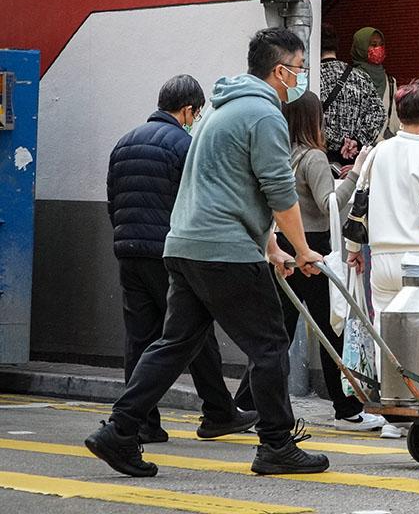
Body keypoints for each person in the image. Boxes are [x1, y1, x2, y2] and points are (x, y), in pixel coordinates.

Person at [86, 28, 329, 478]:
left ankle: (118, 431)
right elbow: (276, 190)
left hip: (184, 245)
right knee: (270, 344)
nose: (301, 76)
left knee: (174, 343)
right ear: (280, 70)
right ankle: (276, 444)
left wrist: (272, 248)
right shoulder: (264, 115)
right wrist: (303, 248)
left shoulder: (220, 108)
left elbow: (232, 187)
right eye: (299, 68)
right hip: (224, 250)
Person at [105, 75, 257, 445]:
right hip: (169, 252)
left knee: (140, 338)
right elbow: (194, 201)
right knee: (192, 332)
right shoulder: (184, 146)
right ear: (188, 110)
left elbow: (113, 201)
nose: (196, 119)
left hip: (128, 250)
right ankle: (218, 411)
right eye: (197, 112)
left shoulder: (123, 144)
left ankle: (143, 422)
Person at [232, 91, 384, 433]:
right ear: (312, 120)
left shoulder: (286, 154)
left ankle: (245, 403)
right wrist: (355, 173)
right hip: (312, 248)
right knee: (331, 329)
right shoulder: (313, 157)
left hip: (283, 244)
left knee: (278, 332)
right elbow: (330, 203)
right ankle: (346, 409)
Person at [350, 80, 419, 320]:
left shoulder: (378, 152)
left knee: (384, 334)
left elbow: (360, 200)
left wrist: (353, 248)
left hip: (380, 258)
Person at [319, 25, 385, 166]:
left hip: (322, 156)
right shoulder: (360, 76)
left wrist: (337, 141)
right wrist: (357, 140)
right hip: (354, 158)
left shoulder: (312, 78)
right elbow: (379, 114)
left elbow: (309, 117)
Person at [351, 27, 402, 142]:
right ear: (361, 47)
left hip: (385, 145)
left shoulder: (390, 81)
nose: (378, 49)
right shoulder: (352, 79)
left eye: (381, 44)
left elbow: (394, 117)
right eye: (373, 45)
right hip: (359, 147)